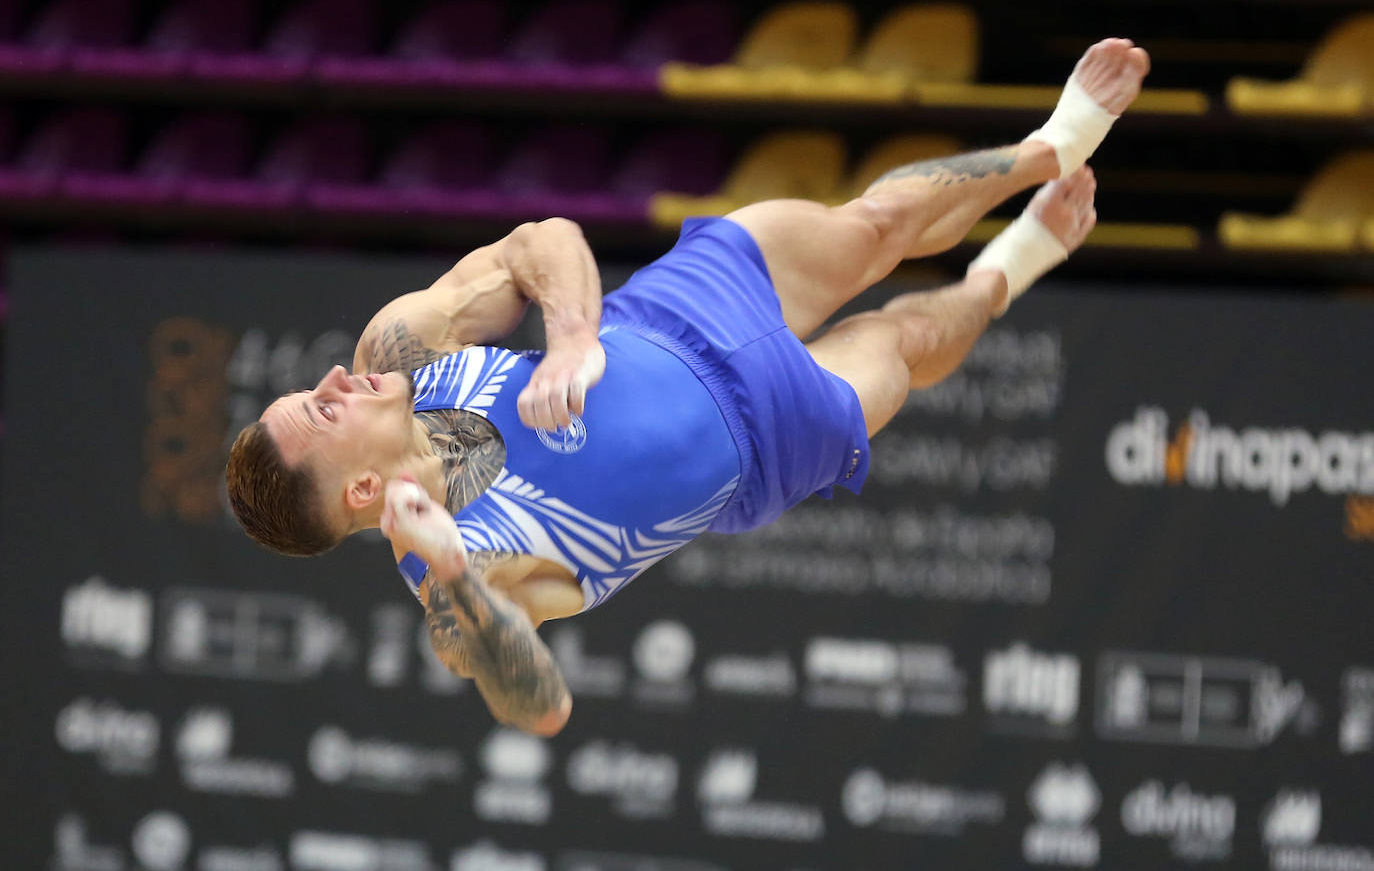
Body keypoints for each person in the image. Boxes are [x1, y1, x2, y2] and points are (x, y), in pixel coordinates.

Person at [227, 39, 1150, 736]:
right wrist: (463, 574)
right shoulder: (454, 576)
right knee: (902, 337)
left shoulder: (399, 349)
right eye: (321, 408)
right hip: (760, 444)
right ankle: (1016, 264)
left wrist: (573, 338)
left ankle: (1053, 143)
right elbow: (538, 704)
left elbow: (538, 241)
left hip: (669, 313)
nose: (340, 379)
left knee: (874, 224)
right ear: (357, 491)